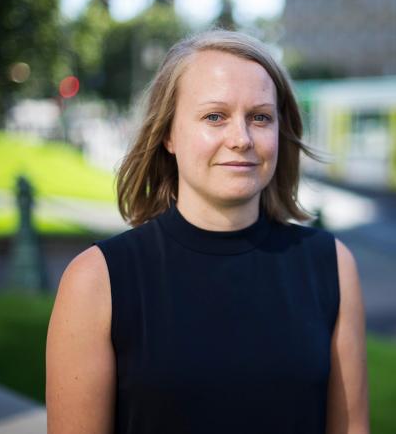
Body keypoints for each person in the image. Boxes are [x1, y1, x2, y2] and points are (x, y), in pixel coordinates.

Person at [46, 30, 369, 434]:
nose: (241, 139)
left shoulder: (332, 266)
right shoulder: (96, 281)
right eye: (214, 116)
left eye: (260, 117)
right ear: (168, 134)